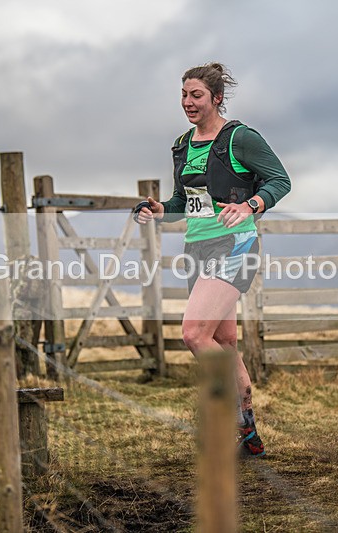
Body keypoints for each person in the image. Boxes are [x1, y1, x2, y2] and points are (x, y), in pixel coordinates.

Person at [134, 63, 291, 457]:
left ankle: (229, 422)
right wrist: (159, 210)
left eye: (197, 95)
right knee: (222, 341)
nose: (188, 102)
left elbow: (280, 180)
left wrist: (250, 205)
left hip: (234, 245)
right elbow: (182, 203)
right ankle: (250, 437)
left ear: (217, 98)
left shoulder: (240, 138)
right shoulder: (182, 144)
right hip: (198, 248)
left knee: (194, 334)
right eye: (184, 95)